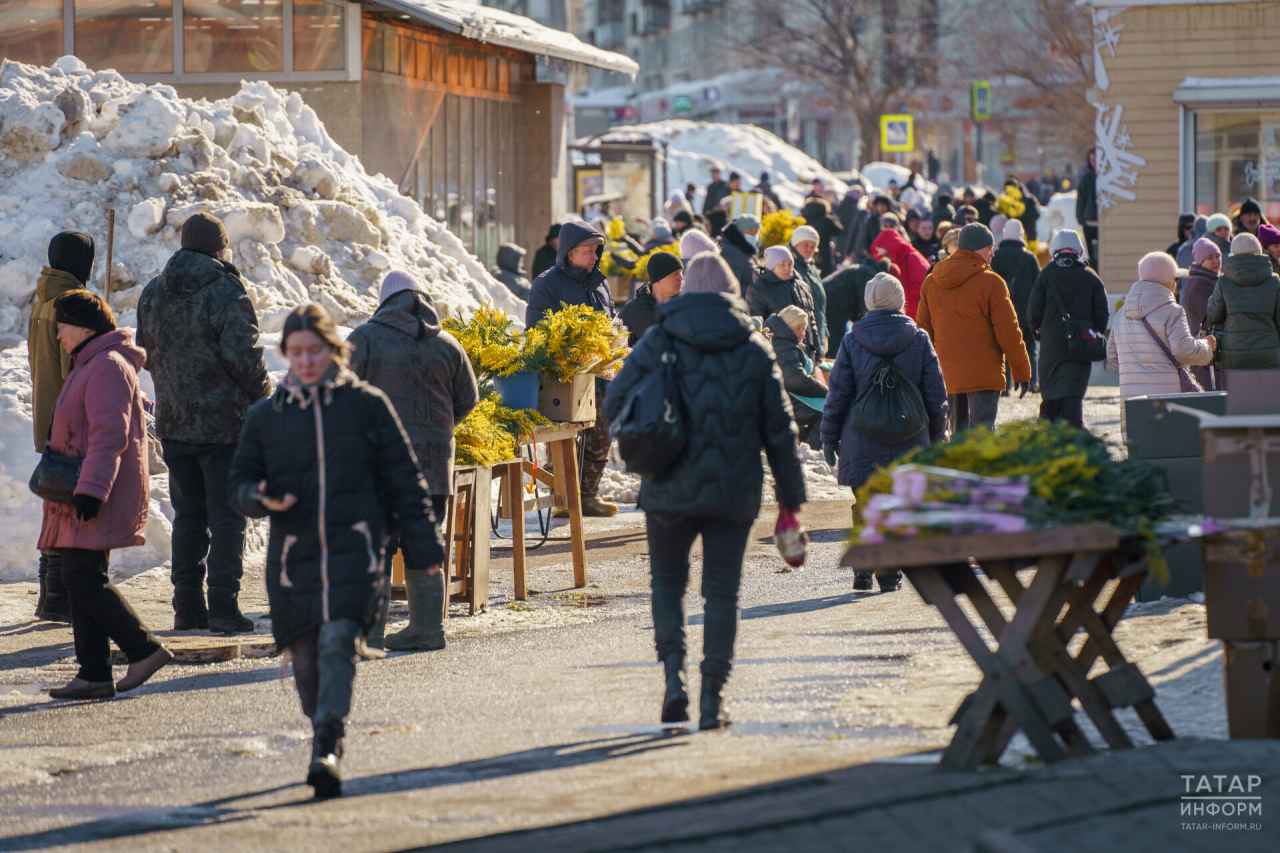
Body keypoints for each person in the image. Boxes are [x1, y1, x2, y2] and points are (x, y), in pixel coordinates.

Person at [229, 303, 443, 798]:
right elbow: (238, 482)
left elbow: (406, 481)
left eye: (315, 351)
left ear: (333, 350)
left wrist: (425, 547)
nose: (306, 361)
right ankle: (321, 720)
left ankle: (327, 741)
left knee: (339, 643)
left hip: (359, 550)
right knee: (305, 661)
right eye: (296, 352)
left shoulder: (367, 405)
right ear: (286, 355)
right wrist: (258, 497)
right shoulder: (267, 416)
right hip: (294, 560)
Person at [603, 252, 806, 731]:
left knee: (668, 585)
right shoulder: (754, 347)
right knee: (721, 595)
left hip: (668, 483)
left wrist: (646, 435)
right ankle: (713, 698)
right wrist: (790, 500)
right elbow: (780, 429)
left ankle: (674, 682)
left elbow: (613, 401)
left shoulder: (659, 339)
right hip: (733, 492)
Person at [136, 212, 271, 633]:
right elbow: (245, 356)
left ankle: (187, 609)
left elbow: (147, 350)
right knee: (228, 518)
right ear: (219, 248)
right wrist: (262, 394)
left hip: (175, 423)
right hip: (224, 426)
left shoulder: (153, 291)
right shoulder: (226, 288)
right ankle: (224, 610)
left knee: (189, 518)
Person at [42, 291, 171, 700]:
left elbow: (109, 434)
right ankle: (94, 672)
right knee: (81, 575)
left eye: (63, 325)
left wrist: (91, 491)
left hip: (97, 489)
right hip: (84, 488)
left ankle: (144, 649)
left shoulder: (107, 366)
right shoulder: (90, 362)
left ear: (83, 326)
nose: (59, 334)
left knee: (80, 574)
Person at [348, 271, 478, 651]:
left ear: (385, 301)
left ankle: (369, 633)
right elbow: (467, 399)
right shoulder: (449, 344)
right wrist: (437, 427)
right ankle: (427, 629)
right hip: (435, 465)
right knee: (424, 541)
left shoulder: (365, 338)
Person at [820, 273, 947, 590]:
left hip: (860, 438)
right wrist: (937, 435)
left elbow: (837, 394)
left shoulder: (851, 341)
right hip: (910, 436)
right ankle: (889, 573)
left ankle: (864, 563)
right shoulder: (919, 340)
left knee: (866, 501)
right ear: (900, 301)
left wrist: (828, 436)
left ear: (869, 303)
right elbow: (936, 395)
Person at [526, 221, 618, 517]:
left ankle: (589, 495)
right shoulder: (546, 283)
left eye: (597, 250)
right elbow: (537, 329)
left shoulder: (600, 281)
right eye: (589, 251)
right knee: (565, 440)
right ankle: (563, 497)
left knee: (600, 436)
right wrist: (573, 348)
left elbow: (612, 318)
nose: (595, 257)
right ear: (569, 253)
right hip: (565, 376)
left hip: (601, 375)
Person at [28, 231, 94, 624]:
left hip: (48, 418)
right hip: (73, 423)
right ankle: (64, 594)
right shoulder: (74, 305)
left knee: (56, 506)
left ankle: (51, 594)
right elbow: (81, 369)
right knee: (73, 509)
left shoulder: (44, 302)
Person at [917, 224, 1032, 433]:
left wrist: (924, 376)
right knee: (981, 439)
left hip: (948, 375)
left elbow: (923, 334)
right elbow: (1009, 333)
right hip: (984, 376)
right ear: (976, 248)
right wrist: (1022, 372)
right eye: (989, 248)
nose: (992, 254)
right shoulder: (992, 283)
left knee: (957, 437)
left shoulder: (931, 282)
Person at [1107, 253, 1215, 439]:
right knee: (1169, 450)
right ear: (1166, 282)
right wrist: (1207, 346)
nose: (1176, 285)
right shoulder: (1172, 311)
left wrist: (1136, 369)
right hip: (1167, 400)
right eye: (1175, 279)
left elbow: (1113, 356)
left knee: (1141, 457)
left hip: (1132, 402)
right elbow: (1184, 350)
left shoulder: (1121, 314)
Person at [1027, 230, 1110, 428]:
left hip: (1051, 345)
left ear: (1054, 250)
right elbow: (1102, 314)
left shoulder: (1046, 275)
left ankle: (1048, 436)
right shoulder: (1090, 276)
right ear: (1079, 250)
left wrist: (1040, 334)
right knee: (1073, 393)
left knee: (1051, 394)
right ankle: (1074, 435)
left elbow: (1033, 313)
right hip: (1080, 345)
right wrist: (1089, 331)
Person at [1204, 232, 1280, 378]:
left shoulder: (1224, 281)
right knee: (1269, 400)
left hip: (1234, 355)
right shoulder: (1274, 281)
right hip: (1269, 353)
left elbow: (1213, 315)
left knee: (1235, 400)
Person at [764, 305, 827, 447]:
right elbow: (796, 380)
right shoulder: (783, 344)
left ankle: (807, 446)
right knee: (829, 412)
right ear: (787, 325)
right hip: (789, 399)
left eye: (804, 329)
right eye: (797, 327)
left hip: (792, 397)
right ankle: (813, 450)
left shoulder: (785, 341)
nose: (802, 333)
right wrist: (827, 391)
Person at [991, 220, 1043, 393]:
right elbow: (1039, 286)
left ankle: (1005, 386)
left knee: (1003, 348)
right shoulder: (1029, 258)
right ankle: (1033, 382)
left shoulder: (995, 257)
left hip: (1002, 311)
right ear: (1021, 235)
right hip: (1026, 311)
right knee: (1029, 347)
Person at [747, 245, 821, 359]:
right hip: (779, 355)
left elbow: (811, 321)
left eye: (790, 264)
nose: (787, 268)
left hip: (806, 354)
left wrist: (817, 352)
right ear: (772, 267)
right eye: (782, 264)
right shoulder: (759, 289)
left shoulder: (802, 286)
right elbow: (756, 325)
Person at [1179, 237, 1222, 391]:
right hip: (1206, 351)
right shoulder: (1200, 284)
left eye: (1217, 256)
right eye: (1210, 258)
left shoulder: (1212, 279)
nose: (1216, 260)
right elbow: (1211, 316)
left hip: (1211, 349)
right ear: (1200, 261)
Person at [821, 259, 886, 358]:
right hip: (834, 303)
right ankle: (831, 368)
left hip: (828, 298)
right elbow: (865, 303)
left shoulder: (861, 268)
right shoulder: (869, 274)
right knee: (833, 342)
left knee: (831, 340)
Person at [869, 221, 930, 319]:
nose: (883, 257)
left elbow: (923, 283)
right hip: (905, 311)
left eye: (886, 253)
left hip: (916, 312)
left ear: (892, 249)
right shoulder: (897, 260)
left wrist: (898, 295)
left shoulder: (912, 257)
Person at [619, 252, 683, 345]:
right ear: (658, 279)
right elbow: (618, 351)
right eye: (675, 273)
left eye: (681, 272)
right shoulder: (632, 311)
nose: (681, 278)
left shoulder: (687, 306)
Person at [790, 225, 829, 356]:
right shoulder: (792, 268)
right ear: (796, 244)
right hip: (804, 337)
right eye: (805, 244)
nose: (809, 249)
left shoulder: (811, 268)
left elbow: (820, 306)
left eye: (812, 246)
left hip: (817, 334)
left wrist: (825, 334)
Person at [800, 196, 844, 277]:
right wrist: (831, 215)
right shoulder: (827, 219)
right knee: (826, 277)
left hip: (804, 250)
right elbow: (839, 230)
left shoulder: (802, 218)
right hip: (824, 252)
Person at [719, 214, 759, 293]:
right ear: (740, 231)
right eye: (751, 231)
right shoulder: (731, 252)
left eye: (756, 232)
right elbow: (731, 286)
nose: (754, 235)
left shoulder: (746, 249)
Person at [854, 195, 893, 263]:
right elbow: (866, 236)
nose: (881, 208)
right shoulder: (871, 220)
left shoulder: (892, 219)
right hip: (874, 254)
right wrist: (867, 249)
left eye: (883, 205)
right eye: (879, 205)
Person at [1076, 151, 1099, 270]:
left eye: (1096, 159)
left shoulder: (1108, 177)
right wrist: (1081, 220)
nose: (1094, 162)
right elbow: (1080, 200)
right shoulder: (1086, 179)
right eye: (1092, 160)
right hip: (1089, 224)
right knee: (1092, 256)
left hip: (1103, 224)